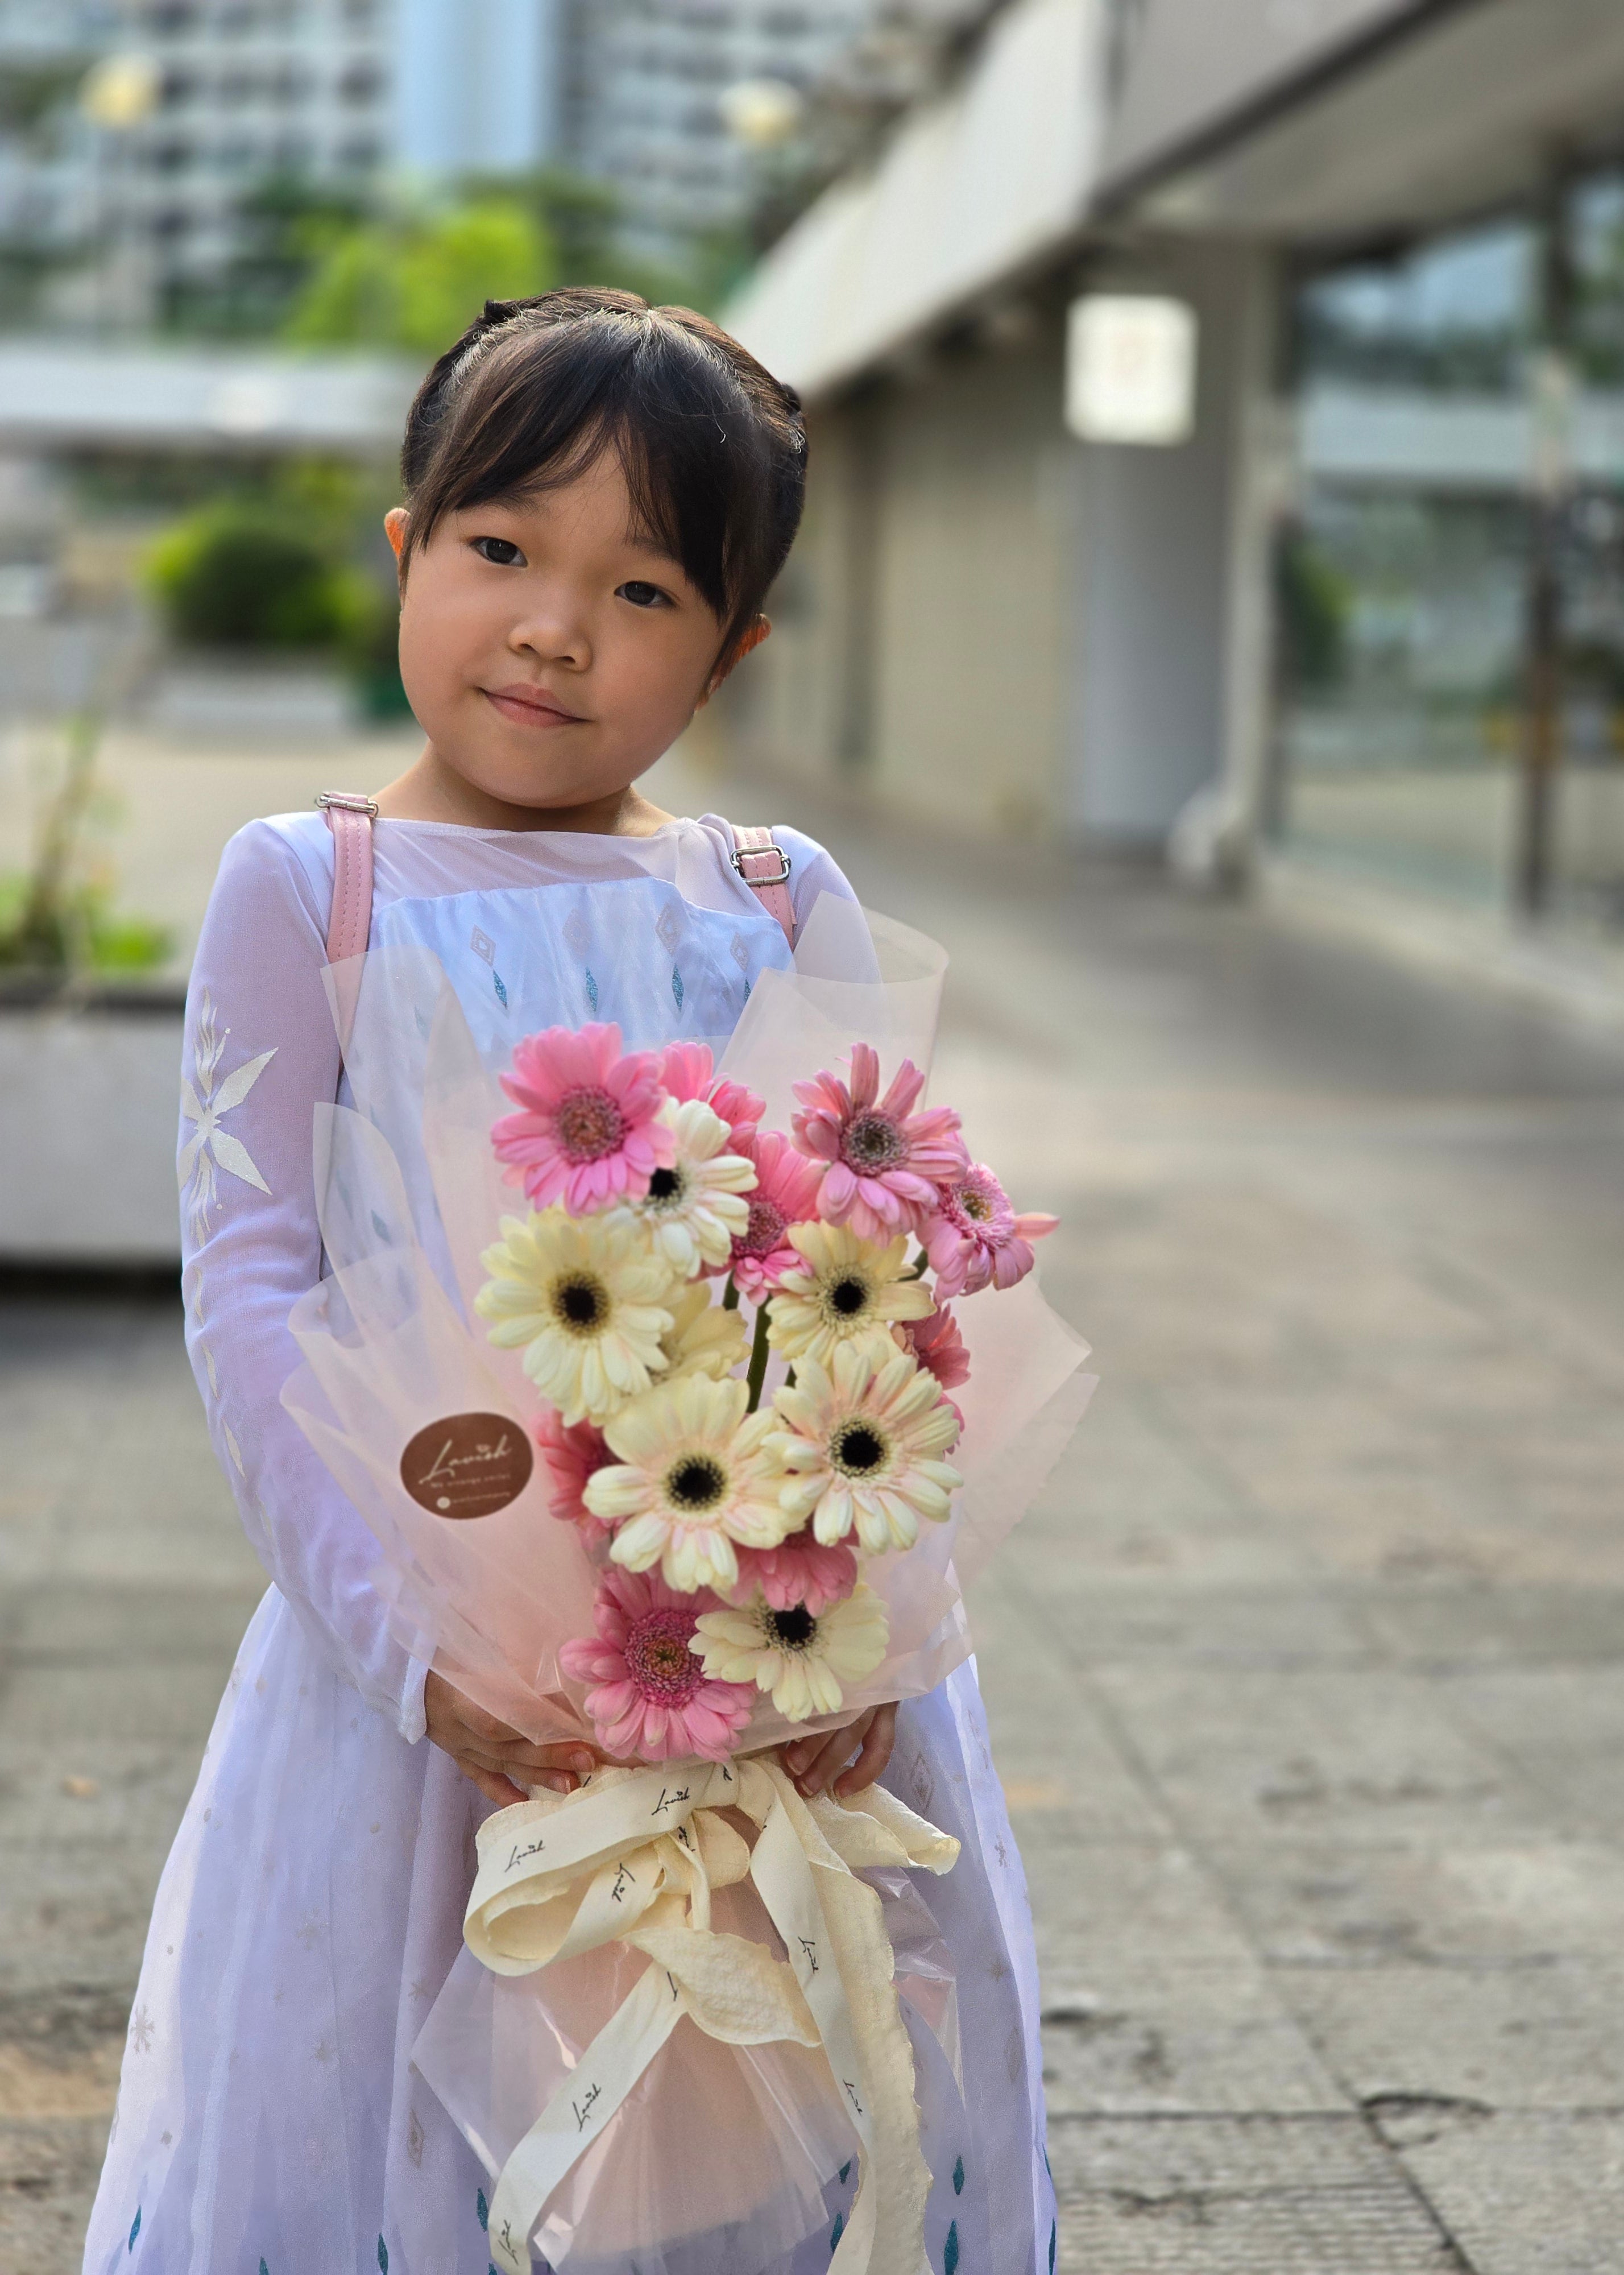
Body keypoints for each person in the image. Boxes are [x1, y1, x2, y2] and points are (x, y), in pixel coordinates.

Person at [85, 288, 1054, 2275]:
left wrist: (841, 1633)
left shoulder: (776, 900)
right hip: (430, 1704)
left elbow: (875, 1288)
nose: (551, 628)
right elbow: (251, 1285)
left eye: (641, 591)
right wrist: (416, 1647)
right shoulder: (314, 886)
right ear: (408, 550)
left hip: (767, 1656)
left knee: (792, 2122)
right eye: (501, 550)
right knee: (421, 2129)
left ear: (737, 645)